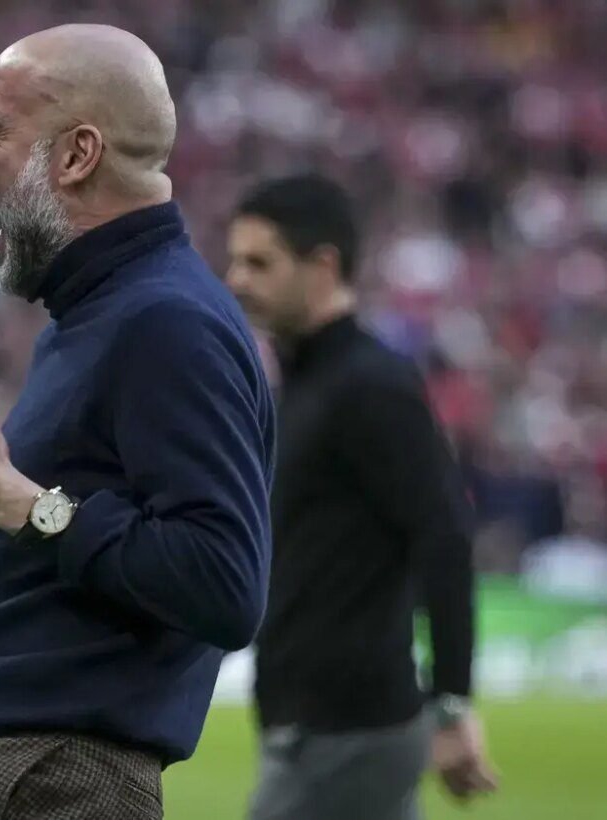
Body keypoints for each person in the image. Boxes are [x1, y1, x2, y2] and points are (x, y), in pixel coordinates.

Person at [0, 24, 275, 820]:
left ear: (77, 155)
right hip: (24, 771)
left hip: (44, 777)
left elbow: (223, 583)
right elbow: (99, 546)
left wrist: (11, 500)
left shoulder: (167, 321)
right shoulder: (102, 311)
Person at [224, 173, 499, 820]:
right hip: (318, 725)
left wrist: (452, 702)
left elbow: (444, 534)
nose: (236, 280)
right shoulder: (306, 386)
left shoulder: (370, 386)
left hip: (348, 729)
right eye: (235, 261)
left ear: (323, 266)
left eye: (260, 263)